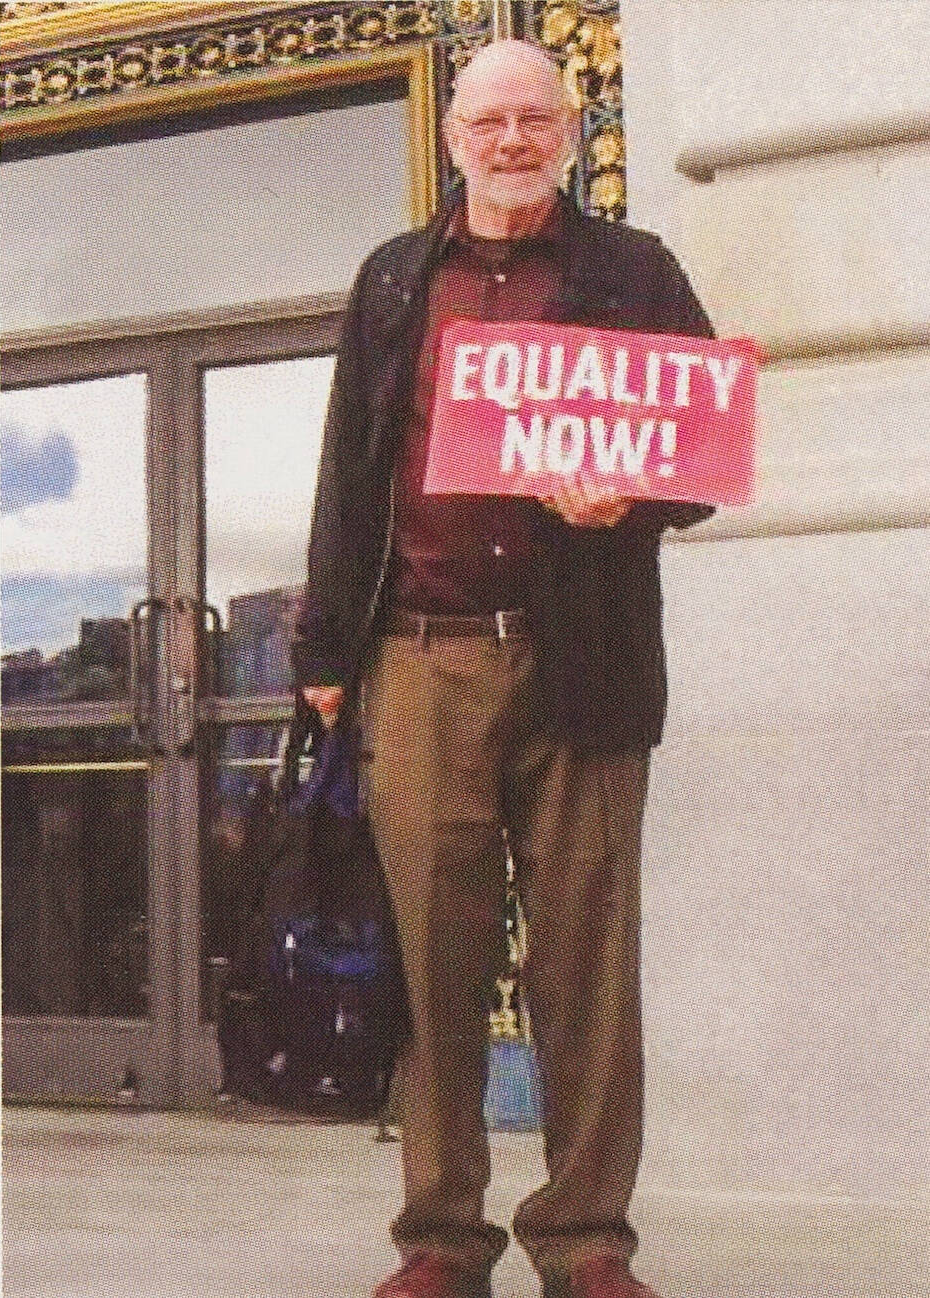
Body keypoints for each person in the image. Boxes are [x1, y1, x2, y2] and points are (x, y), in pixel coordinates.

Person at [294, 39, 715, 1298]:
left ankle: (585, 1240)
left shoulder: (633, 271)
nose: (514, 139)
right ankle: (440, 1237)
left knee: (584, 960)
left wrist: (627, 498)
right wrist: (324, 654)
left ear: (571, 127)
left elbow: (701, 456)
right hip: (417, 661)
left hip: (581, 659)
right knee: (433, 958)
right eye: (492, 120)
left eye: (537, 117)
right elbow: (343, 472)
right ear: (454, 137)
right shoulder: (389, 282)